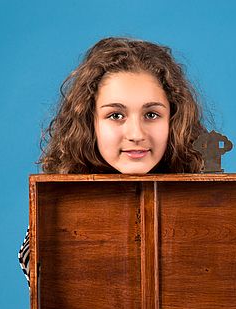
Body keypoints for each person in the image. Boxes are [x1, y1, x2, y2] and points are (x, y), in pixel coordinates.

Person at [18, 37, 205, 283]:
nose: (136, 134)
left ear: (174, 118)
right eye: (116, 115)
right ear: (90, 121)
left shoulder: (204, 201)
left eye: (152, 114)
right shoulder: (57, 211)